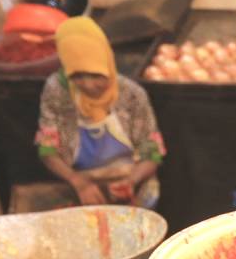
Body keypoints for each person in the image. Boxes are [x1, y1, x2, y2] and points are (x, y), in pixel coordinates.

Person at [35, 17, 165, 208]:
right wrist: (78, 182)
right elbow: (47, 150)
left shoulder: (132, 94)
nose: (88, 85)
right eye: (77, 76)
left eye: (97, 75)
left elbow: (152, 154)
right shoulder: (57, 91)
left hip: (131, 179)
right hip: (80, 183)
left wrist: (131, 181)